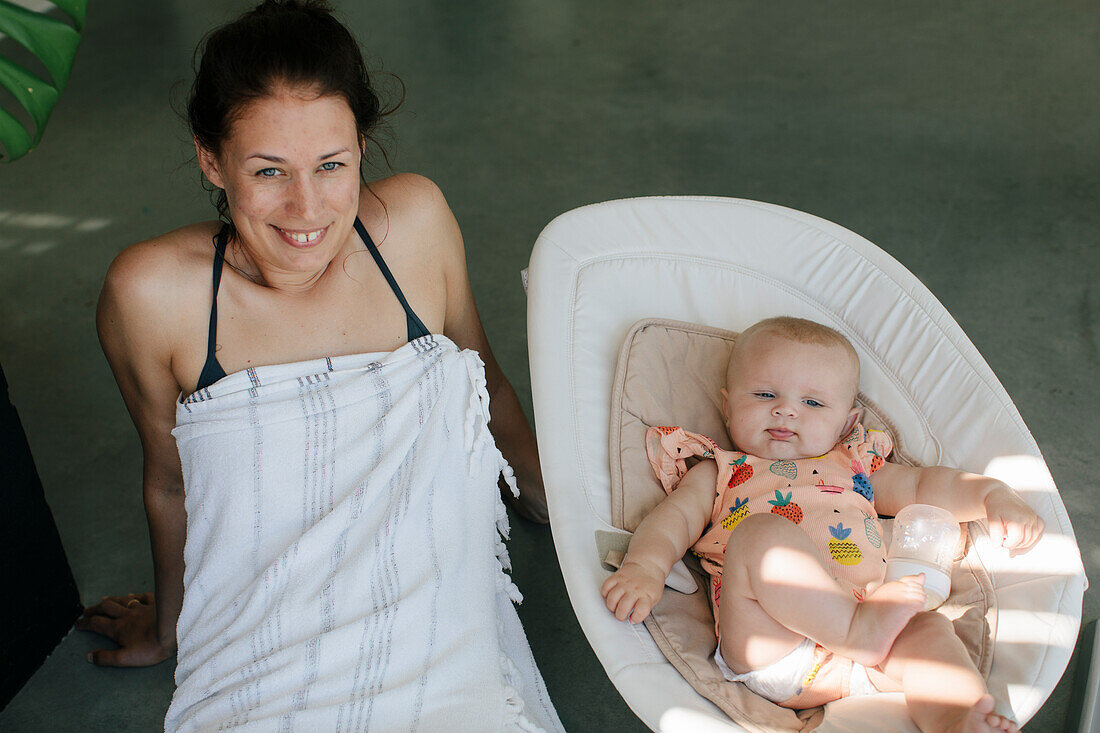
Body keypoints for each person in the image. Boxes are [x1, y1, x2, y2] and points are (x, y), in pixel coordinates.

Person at [77, 2, 561, 730]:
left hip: (439, 651)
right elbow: (173, 482)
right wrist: (169, 627)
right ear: (212, 160)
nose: (306, 208)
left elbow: (480, 381)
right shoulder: (153, 295)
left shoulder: (414, 229)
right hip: (261, 672)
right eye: (269, 170)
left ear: (362, 147)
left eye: (331, 165)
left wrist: (547, 498)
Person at [601, 316, 1043, 733]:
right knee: (760, 536)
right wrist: (646, 567)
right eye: (764, 396)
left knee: (930, 630)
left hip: (868, 641)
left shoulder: (854, 466)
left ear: (846, 423)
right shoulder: (720, 471)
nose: (786, 412)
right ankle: (855, 630)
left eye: (812, 403)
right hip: (772, 644)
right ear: (727, 405)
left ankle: (956, 718)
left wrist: (990, 495)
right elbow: (670, 521)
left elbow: (923, 484)